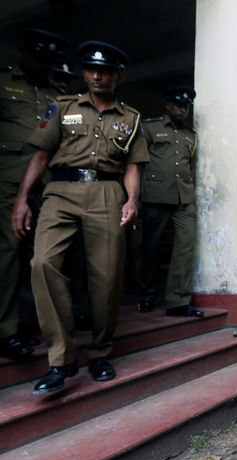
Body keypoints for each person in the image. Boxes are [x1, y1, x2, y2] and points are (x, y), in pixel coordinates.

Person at [12, 41, 148, 394]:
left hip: (107, 193)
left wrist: (131, 199)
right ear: (84, 73)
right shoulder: (62, 107)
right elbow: (41, 156)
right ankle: (61, 358)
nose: (97, 75)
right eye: (90, 69)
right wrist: (22, 199)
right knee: (43, 263)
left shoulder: (130, 118)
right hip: (60, 192)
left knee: (106, 278)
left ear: (118, 76)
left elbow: (132, 166)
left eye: (104, 71)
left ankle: (100, 352)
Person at [0, 29, 67, 360]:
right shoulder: (4, 83)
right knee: (7, 254)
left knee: (46, 257)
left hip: (49, 184)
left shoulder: (56, 94)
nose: (45, 65)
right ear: (24, 53)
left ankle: (46, 325)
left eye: (50, 60)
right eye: (40, 58)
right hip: (9, 183)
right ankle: (6, 331)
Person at [136, 86, 203, 318]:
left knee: (184, 248)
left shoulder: (190, 136)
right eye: (178, 105)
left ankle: (177, 301)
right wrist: (135, 198)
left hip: (184, 198)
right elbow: (138, 163)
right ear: (168, 105)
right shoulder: (150, 127)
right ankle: (146, 295)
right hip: (155, 196)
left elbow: (190, 166)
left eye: (185, 106)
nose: (182, 110)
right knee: (150, 248)